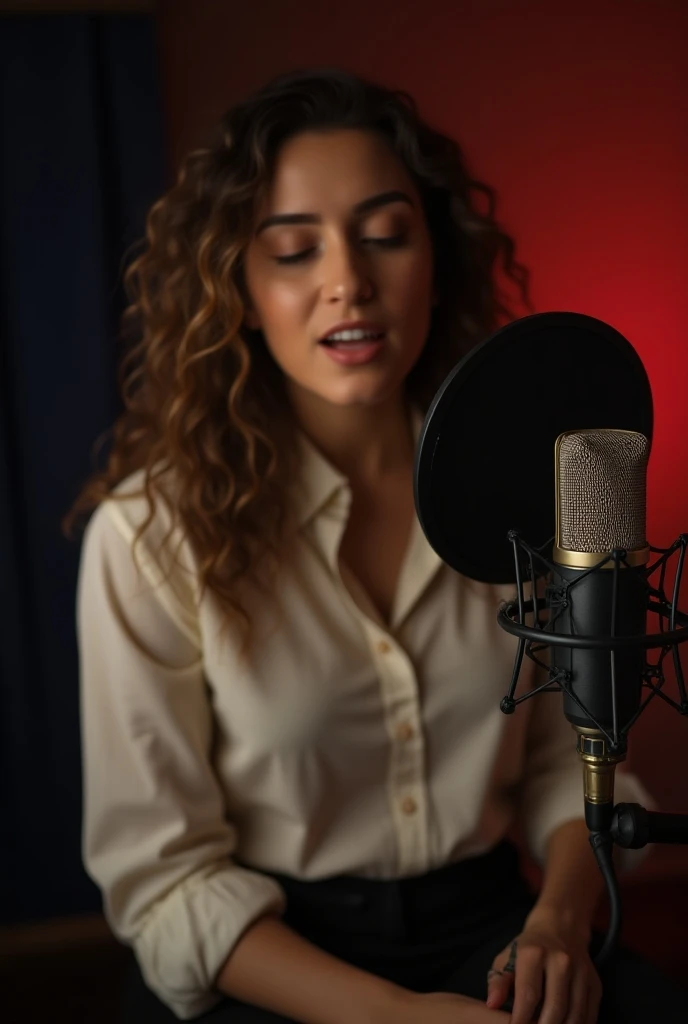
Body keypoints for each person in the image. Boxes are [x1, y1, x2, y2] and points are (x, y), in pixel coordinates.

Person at [67, 69, 685, 1024]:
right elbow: (165, 879)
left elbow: (571, 763)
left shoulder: (541, 489)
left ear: (436, 258)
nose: (347, 282)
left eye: (384, 235)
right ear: (236, 287)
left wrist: (558, 927)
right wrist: (392, 1016)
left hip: (502, 929)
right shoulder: (148, 536)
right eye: (292, 250)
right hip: (271, 960)